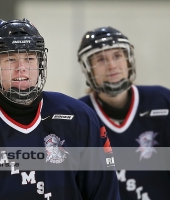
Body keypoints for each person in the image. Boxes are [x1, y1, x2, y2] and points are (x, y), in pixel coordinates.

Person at [0, 19, 120, 200]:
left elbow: (105, 193)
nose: (22, 68)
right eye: (11, 59)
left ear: (40, 63)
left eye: (29, 58)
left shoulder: (79, 117)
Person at [77, 26, 170, 200]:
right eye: (101, 59)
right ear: (88, 68)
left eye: (117, 56)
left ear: (128, 60)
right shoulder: (80, 115)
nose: (111, 65)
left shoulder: (163, 101)